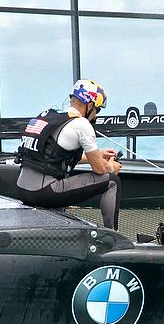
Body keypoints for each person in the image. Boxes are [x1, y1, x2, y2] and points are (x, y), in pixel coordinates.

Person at [15, 79, 123, 231]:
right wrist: (111, 166)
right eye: (97, 110)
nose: (95, 117)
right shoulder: (82, 123)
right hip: (43, 192)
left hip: (22, 189)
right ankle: (114, 237)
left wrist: (98, 154)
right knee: (112, 181)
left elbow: (56, 157)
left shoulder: (50, 116)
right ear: (90, 105)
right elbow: (100, 169)